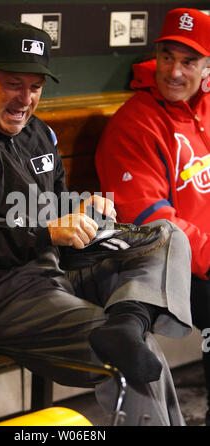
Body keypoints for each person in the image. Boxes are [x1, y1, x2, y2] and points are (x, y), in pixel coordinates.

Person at [0, 21, 193, 426]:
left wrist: (83, 210)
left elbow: (44, 208)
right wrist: (48, 231)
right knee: (132, 358)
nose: (25, 99)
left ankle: (129, 322)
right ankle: (126, 334)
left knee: (166, 237)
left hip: (47, 272)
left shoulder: (35, 132)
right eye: (12, 83)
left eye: (36, 87)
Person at [95, 7, 210, 425]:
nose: (174, 71)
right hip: (164, 270)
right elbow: (154, 223)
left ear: (206, 66)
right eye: (167, 57)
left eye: (189, 61)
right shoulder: (135, 124)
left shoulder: (206, 106)